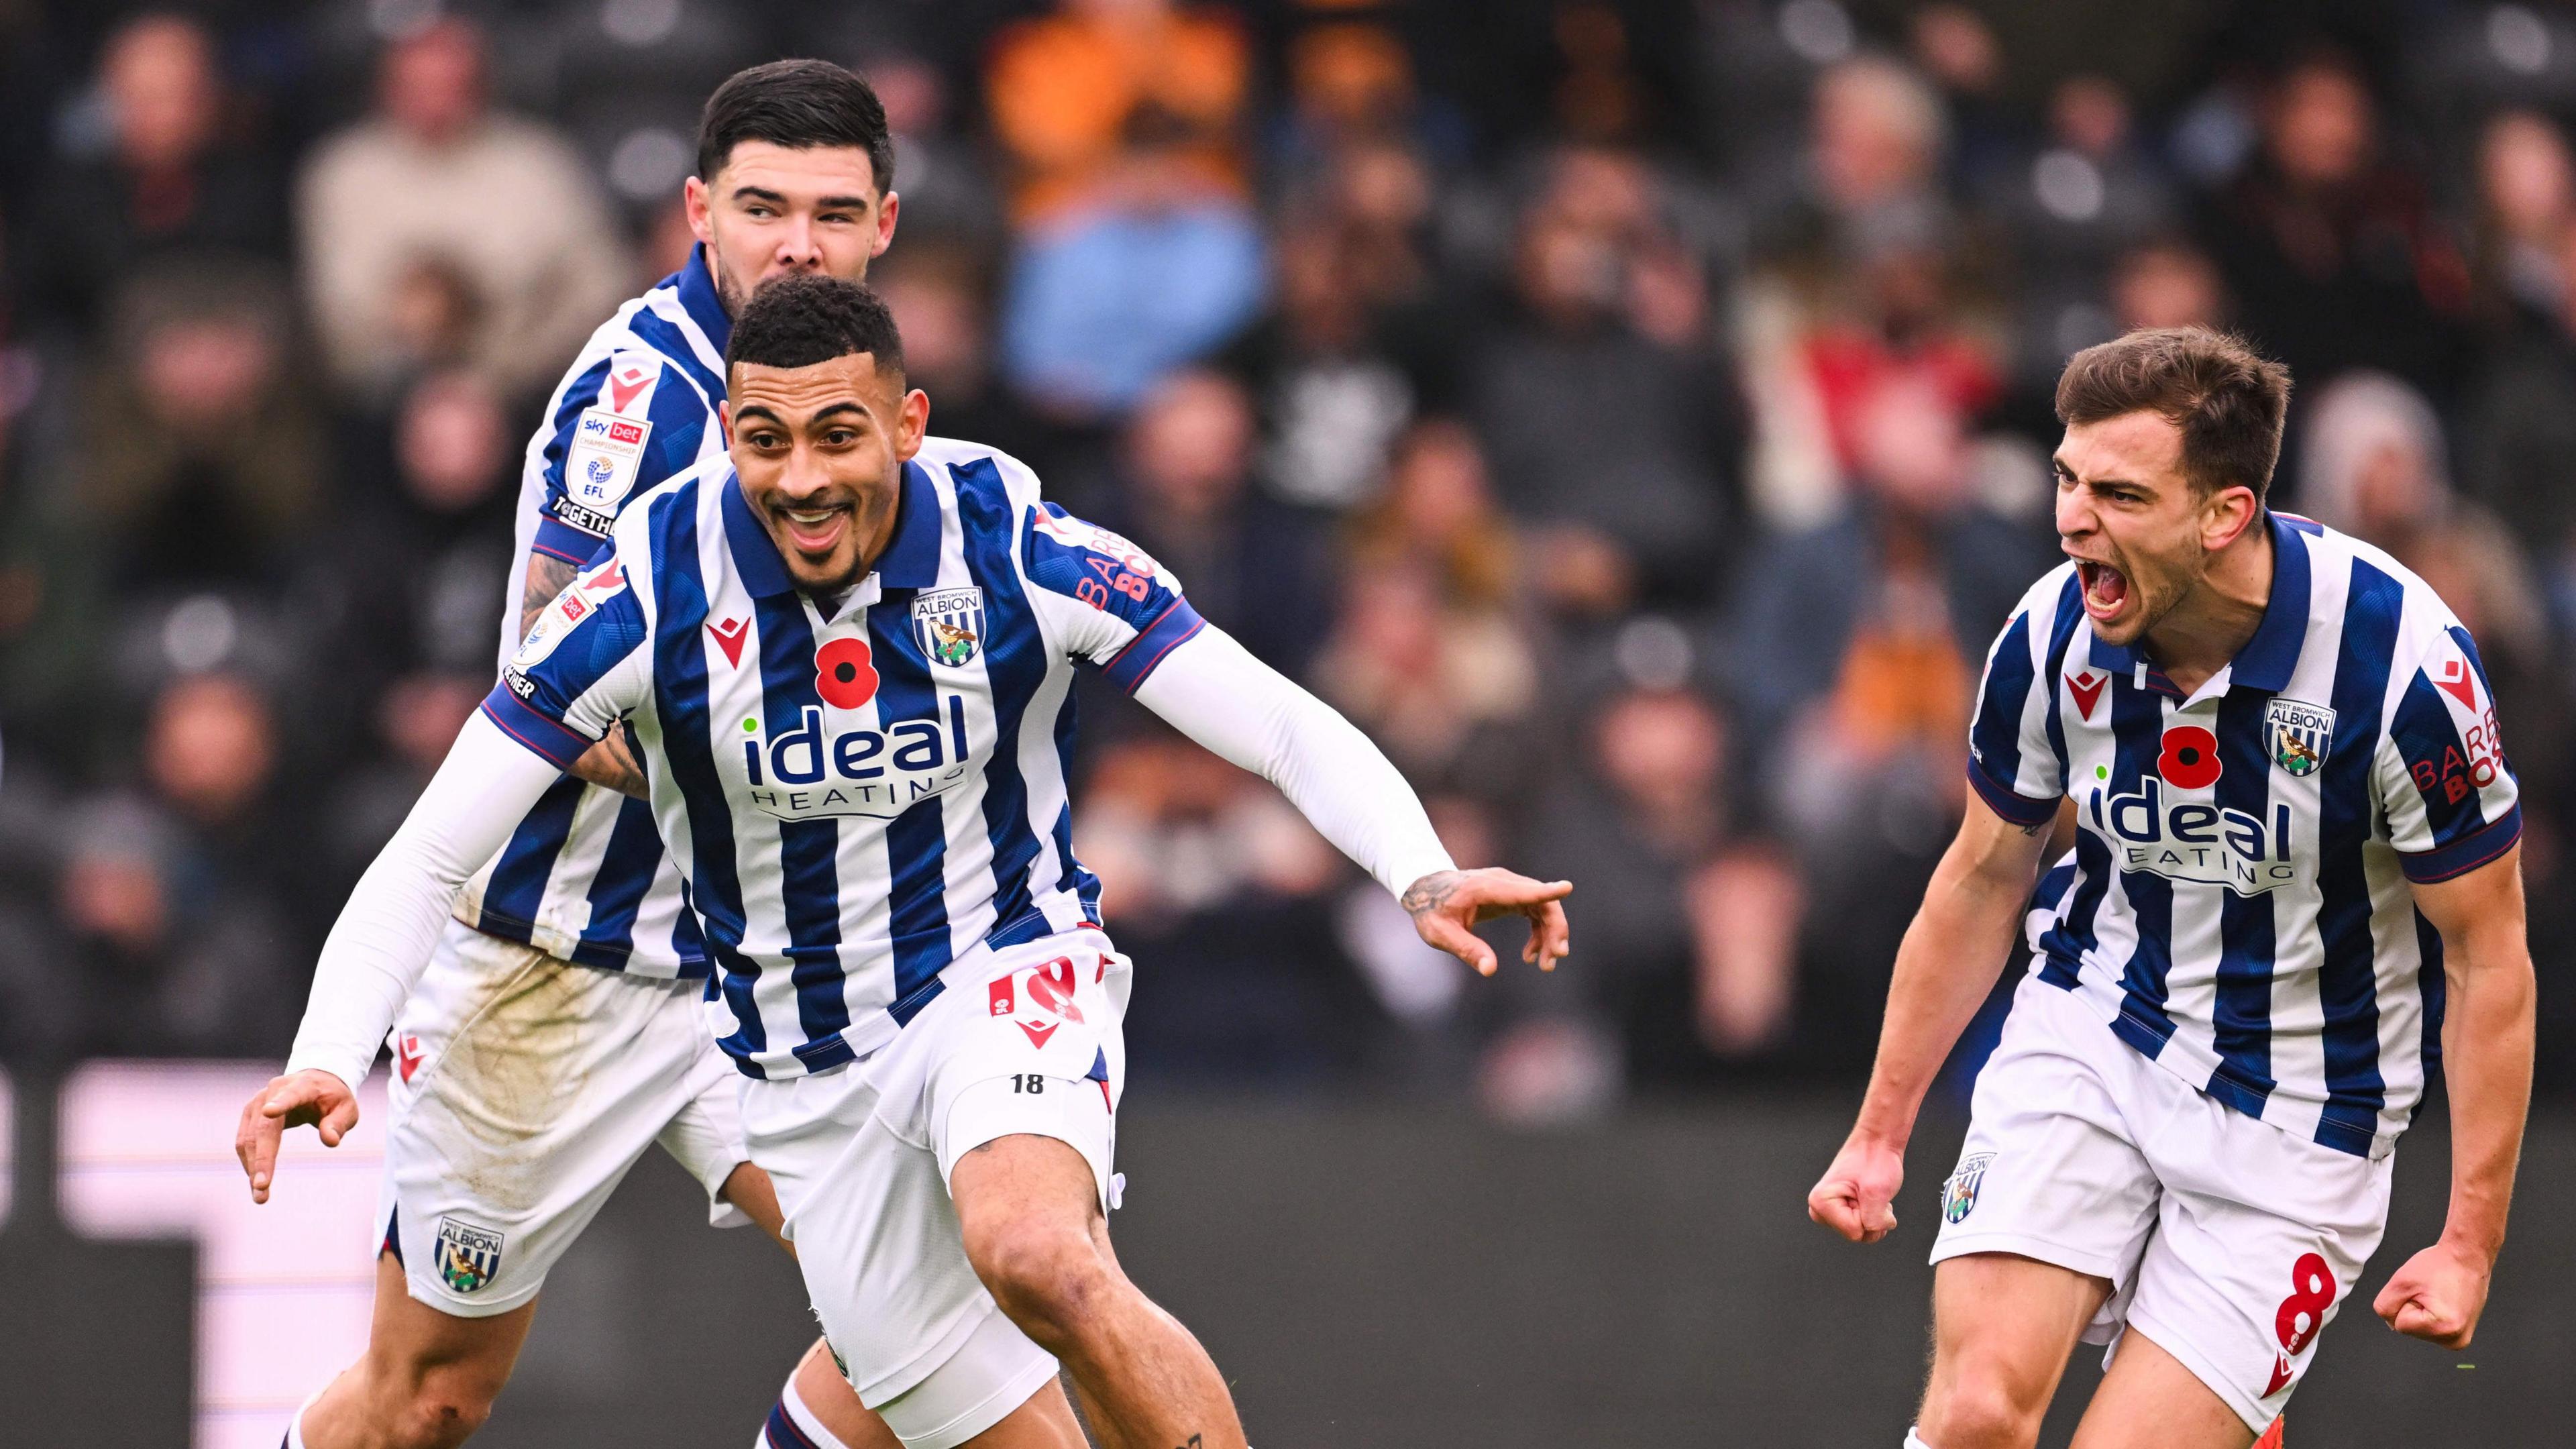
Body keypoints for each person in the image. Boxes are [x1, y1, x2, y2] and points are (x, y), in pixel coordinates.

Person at [244, 272, 1570, 1449]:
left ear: (911, 424)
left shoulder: (1014, 543)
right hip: (803, 1077)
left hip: (997, 971)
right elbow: (429, 854)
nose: (805, 478)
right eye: (766, 441)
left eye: (839, 435)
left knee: (1039, 1254)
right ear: (726, 441)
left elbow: (1271, 717)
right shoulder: (649, 587)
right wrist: (321, 1050)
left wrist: (1421, 869)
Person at [239, 61, 931, 1449]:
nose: (799, 245)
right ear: (697, 211)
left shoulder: (862, 392)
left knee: (946, 1298)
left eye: (834, 213)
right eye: (764, 208)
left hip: (767, 973)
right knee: (428, 1401)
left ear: (885, 228)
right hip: (556, 970)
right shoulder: (639, 398)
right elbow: (574, 693)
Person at [1807, 328, 2533, 1449]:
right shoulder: (2053, 631)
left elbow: (2490, 958)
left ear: (2225, 515)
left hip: (2304, 1122)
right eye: (2067, 478)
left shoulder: (2402, 668)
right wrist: (1879, 1130)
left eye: (2120, 494)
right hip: (2095, 1029)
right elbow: (1983, 877)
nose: (2071, 519)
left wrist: (2469, 1239)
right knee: (1978, 1413)